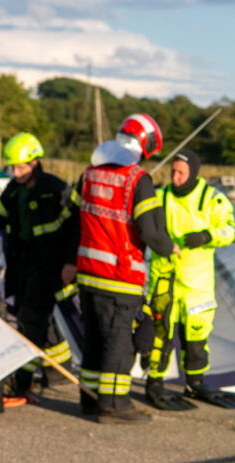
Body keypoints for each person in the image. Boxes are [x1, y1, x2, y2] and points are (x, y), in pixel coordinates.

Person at [64, 113, 175, 423]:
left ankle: (89, 400)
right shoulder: (139, 179)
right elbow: (150, 232)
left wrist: (69, 262)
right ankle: (115, 406)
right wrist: (171, 248)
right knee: (119, 343)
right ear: (146, 144)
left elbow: (72, 220)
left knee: (94, 341)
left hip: (87, 273)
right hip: (120, 277)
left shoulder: (89, 174)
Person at [0, 132, 79, 400]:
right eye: (12, 167)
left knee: (28, 323)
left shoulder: (54, 189)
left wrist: (71, 262)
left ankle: (21, 383)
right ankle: (58, 372)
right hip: (22, 266)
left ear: (35, 163)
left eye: (20, 167)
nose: (15, 172)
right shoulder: (14, 190)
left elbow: (75, 229)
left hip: (49, 267)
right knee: (41, 322)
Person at [144, 150, 235, 410]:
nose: (175, 177)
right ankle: (154, 383)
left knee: (196, 335)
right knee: (161, 334)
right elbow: (146, 228)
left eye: (181, 173)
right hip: (164, 277)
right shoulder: (160, 197)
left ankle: (195, 383)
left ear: (193, 174)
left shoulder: (211, 198)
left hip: (197, 282)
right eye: (172, 172)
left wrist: (207, 235)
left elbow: (230, 229)